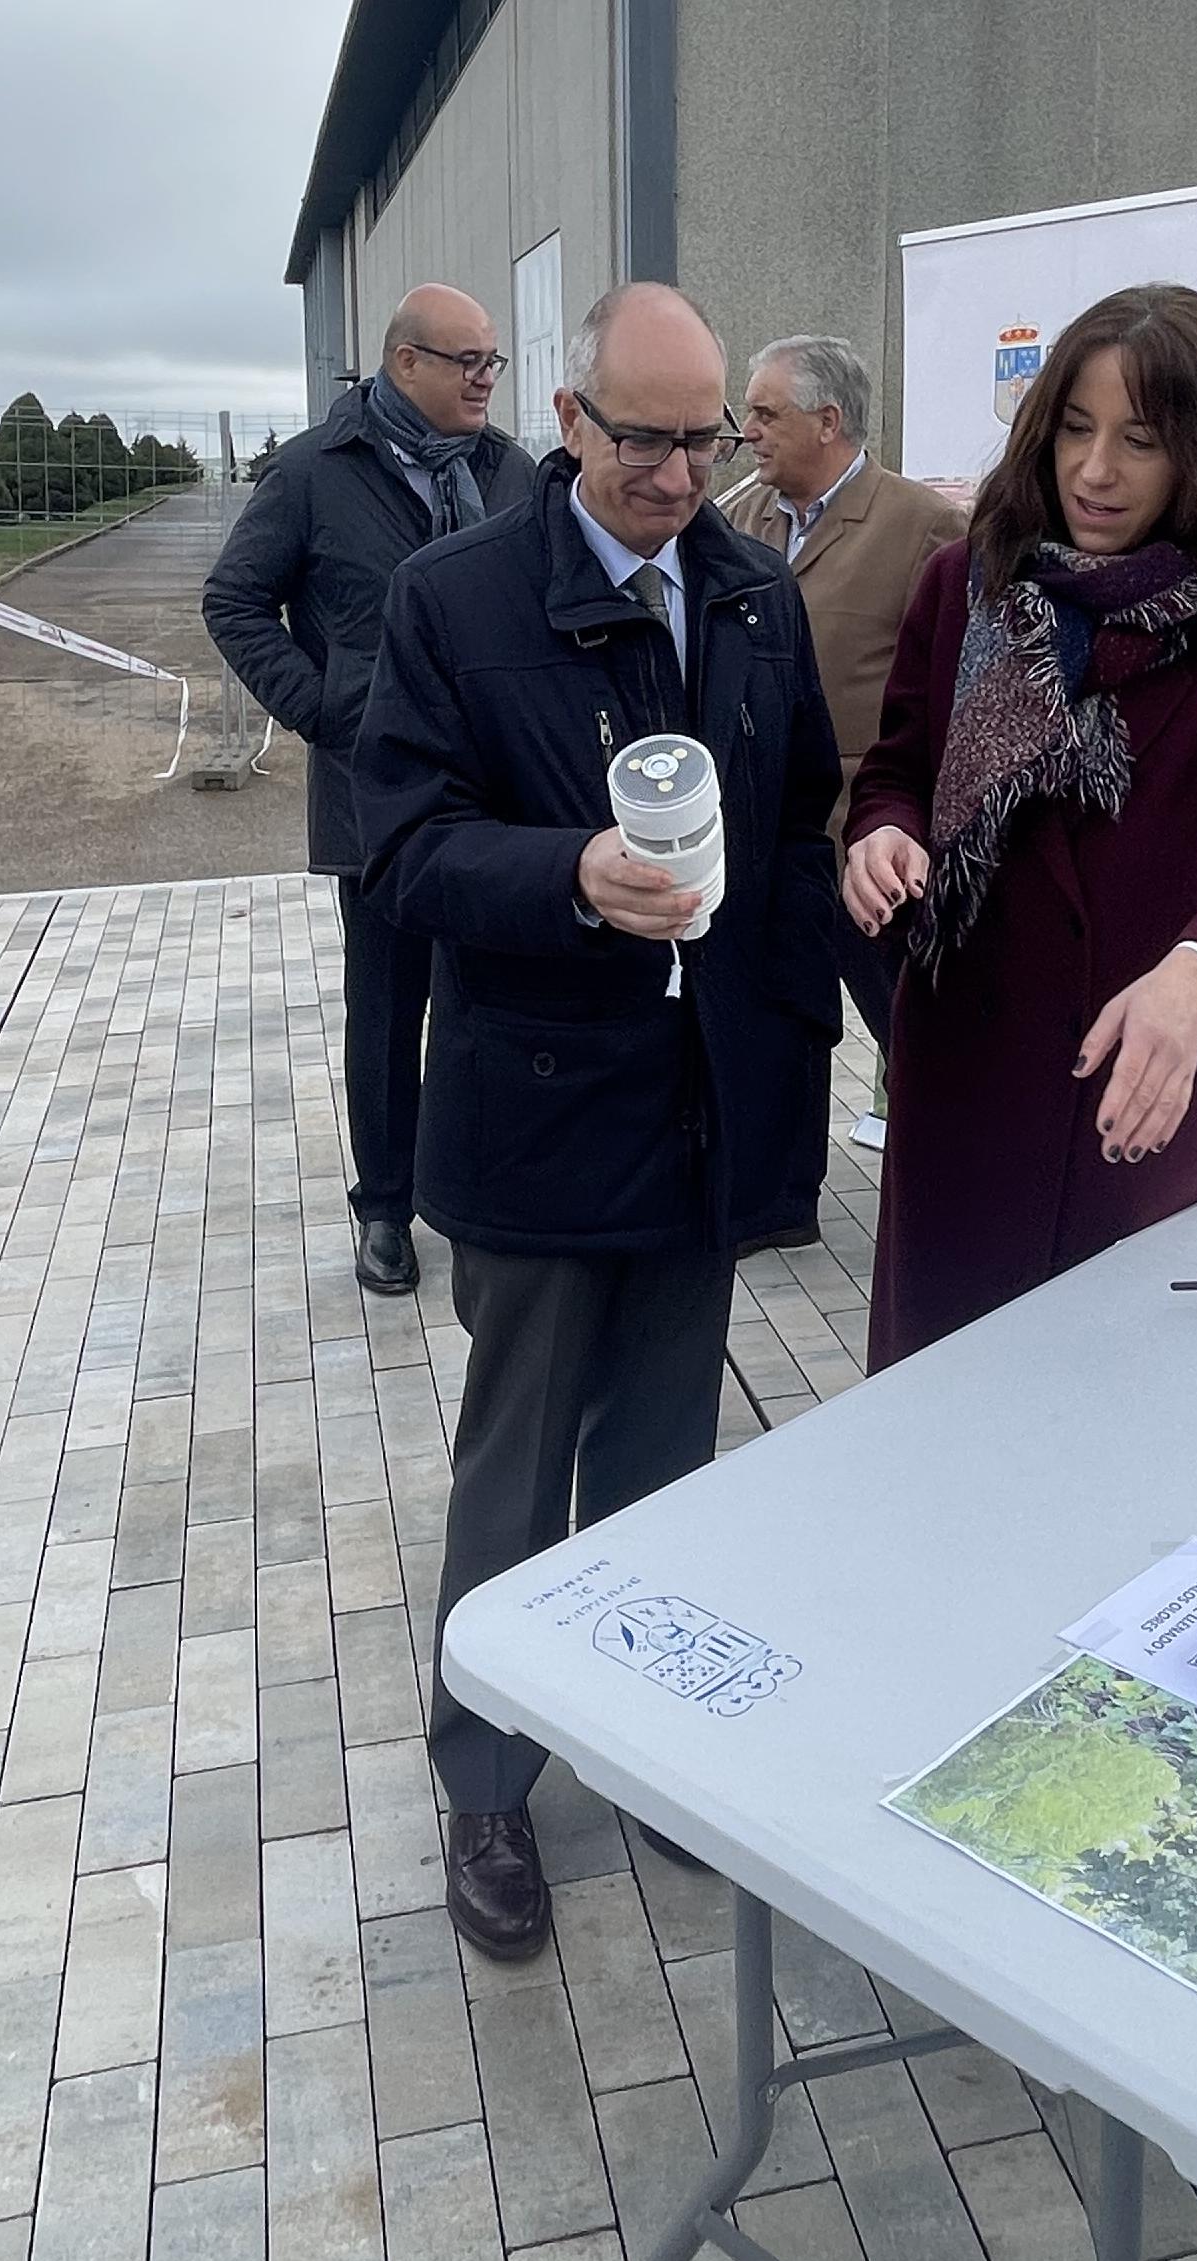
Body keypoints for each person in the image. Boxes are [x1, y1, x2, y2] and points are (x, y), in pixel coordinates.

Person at [356, 282, 842, 1959]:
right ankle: (486, 1779)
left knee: (661, 1456)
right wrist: (566, 872)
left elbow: (798, 820)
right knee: (518, 1466)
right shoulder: (454, 598)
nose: (678, 474)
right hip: (543, 1112)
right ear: (566, 422)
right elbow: (402, 849)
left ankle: (636, 1738)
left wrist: (828, 976)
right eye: (643, 439)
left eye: (706, 440)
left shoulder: (754, 590)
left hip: (705, 1103)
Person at [841, 283, 1197, 1370]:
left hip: (1148, 1111)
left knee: (1139, 1421)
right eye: (1075, 428)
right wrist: (882, 835)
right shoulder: (965, 582)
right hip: (968, 1100)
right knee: (945, 1422)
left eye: (1139, 440)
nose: (1094, 470)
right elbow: (898, 771)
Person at [203, 285, 536, 1296]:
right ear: (404, 362)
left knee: (491, 1001)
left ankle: (480, 1189)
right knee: (388, 1007)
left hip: (499, 797)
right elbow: (234, 599)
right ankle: (386, 1206)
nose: (486, 378)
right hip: (379, 801)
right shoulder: (313, 472)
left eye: (493, 361)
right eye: (467, 360)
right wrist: (330, 709)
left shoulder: (510, 472)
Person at [719, 336, 964, 1062]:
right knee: (773, 1054)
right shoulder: (740, 519)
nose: (748, 432)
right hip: (760, 853)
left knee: (917, 1051)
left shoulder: (924, 528)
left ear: (828, 421)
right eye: (747, 414)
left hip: (867, 859)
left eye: (766, 414)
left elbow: (953, 704)